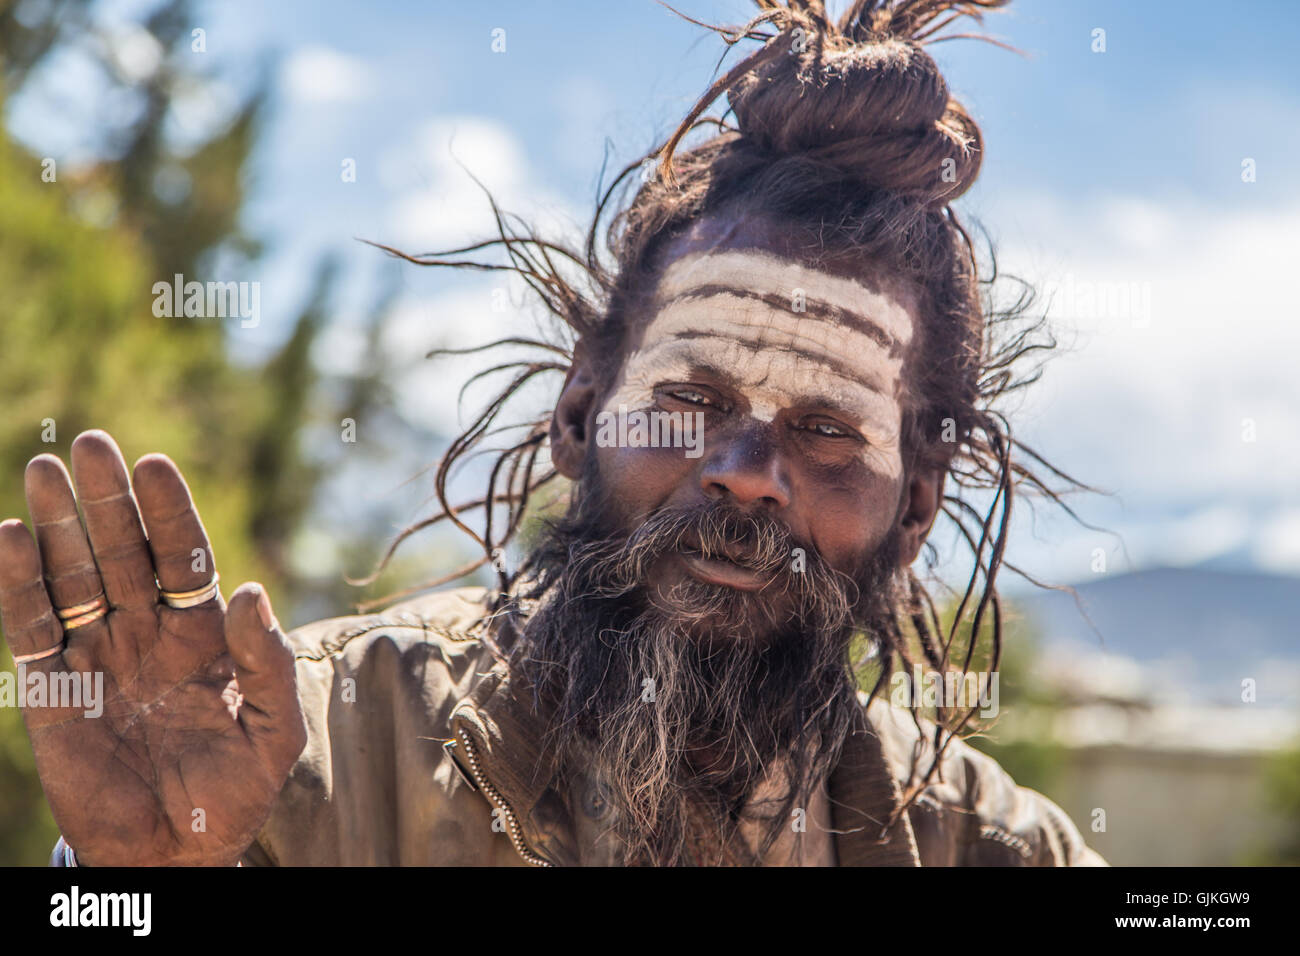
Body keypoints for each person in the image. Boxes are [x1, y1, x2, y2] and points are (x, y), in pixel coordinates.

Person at [0, 0, 1105, 866]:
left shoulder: (985, 846)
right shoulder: (312, 751)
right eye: (690, 401)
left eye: (824, 429)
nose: (747, 476)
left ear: (912, 508)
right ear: (580, 414)